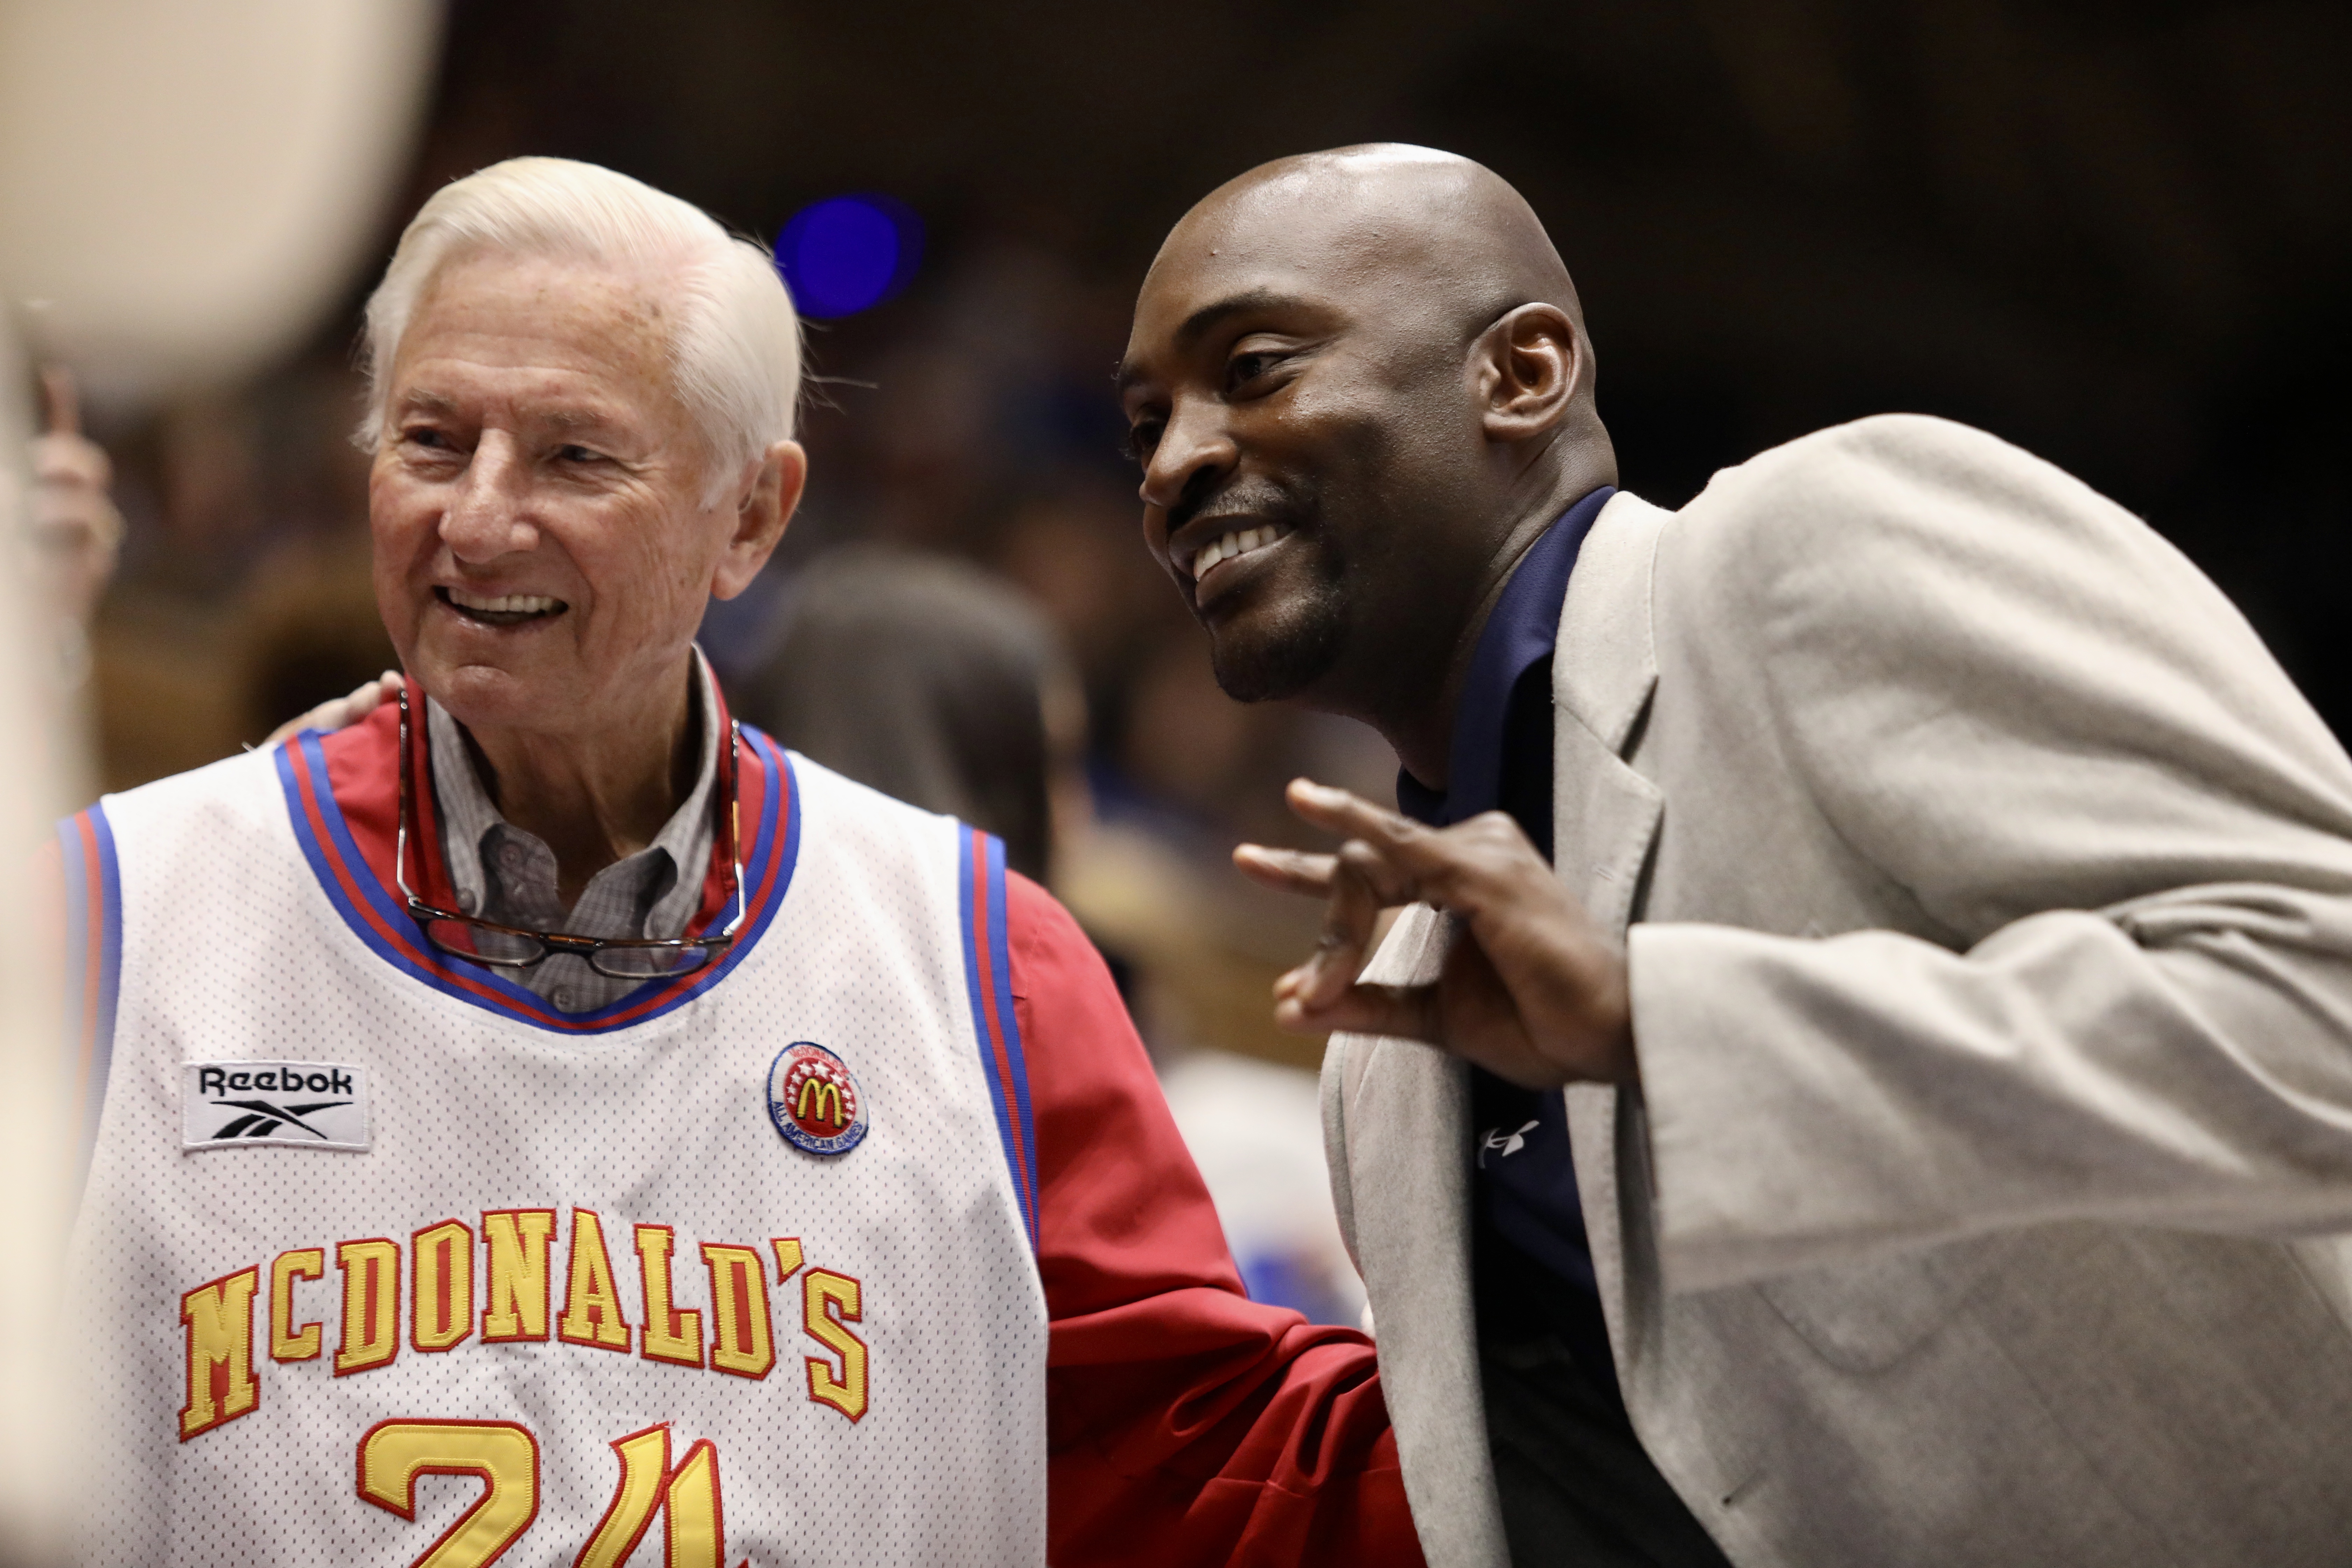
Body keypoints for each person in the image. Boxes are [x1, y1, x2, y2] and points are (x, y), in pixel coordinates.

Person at [62, 157, 1418, 1567]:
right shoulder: (109, 913)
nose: (476, 518)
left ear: (753, 517)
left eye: (575, 456)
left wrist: (1519, 1151)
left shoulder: (982, 966)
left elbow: (1217, 1478)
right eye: (432, 441)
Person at [1114, 142, 2352, 1568]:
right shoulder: (1379, 1066)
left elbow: (2324, 996)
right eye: (1143, 429)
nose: (1173, 465)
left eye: (1254, 369)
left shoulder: (1813, 544)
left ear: (1521, 373)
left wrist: (1660, 1023)